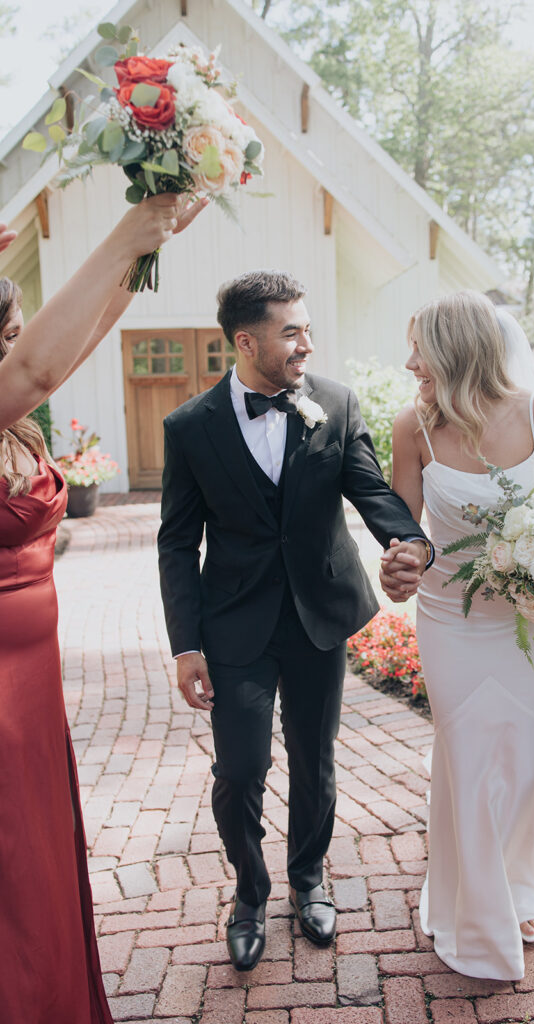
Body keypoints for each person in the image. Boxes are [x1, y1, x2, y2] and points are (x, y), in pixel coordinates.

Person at [157, 269, 433, 971]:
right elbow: (176, 541)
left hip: (318, 616)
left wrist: (412, 542)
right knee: (241, 768)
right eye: (292, 332)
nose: (307, 343)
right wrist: (186, 644)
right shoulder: (190, 427)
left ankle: (308, 879)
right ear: (246, 342)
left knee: (315, 761)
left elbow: (372, 492)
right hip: (233, 626)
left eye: (307, 329)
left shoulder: (335, 404)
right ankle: (249, 893)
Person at [0, 194, 205, 1024]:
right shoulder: (12, 390)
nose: (20, 333)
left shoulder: (14, 415)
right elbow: (39, 369)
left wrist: (147, 248)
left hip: (30, 685)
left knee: (35, 857)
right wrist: (135, 219)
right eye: (9, 320)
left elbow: (71, 344)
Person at [382, 291, 534, 981]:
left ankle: (526, 886)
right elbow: (405, 532)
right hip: (450, 621)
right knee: (469, 755)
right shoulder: (411, 427)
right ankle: (476, 908)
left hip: (527, 622)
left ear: (457, 350)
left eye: (420, 347)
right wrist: (400, 564)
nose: (410, 361)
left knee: (529, 752)